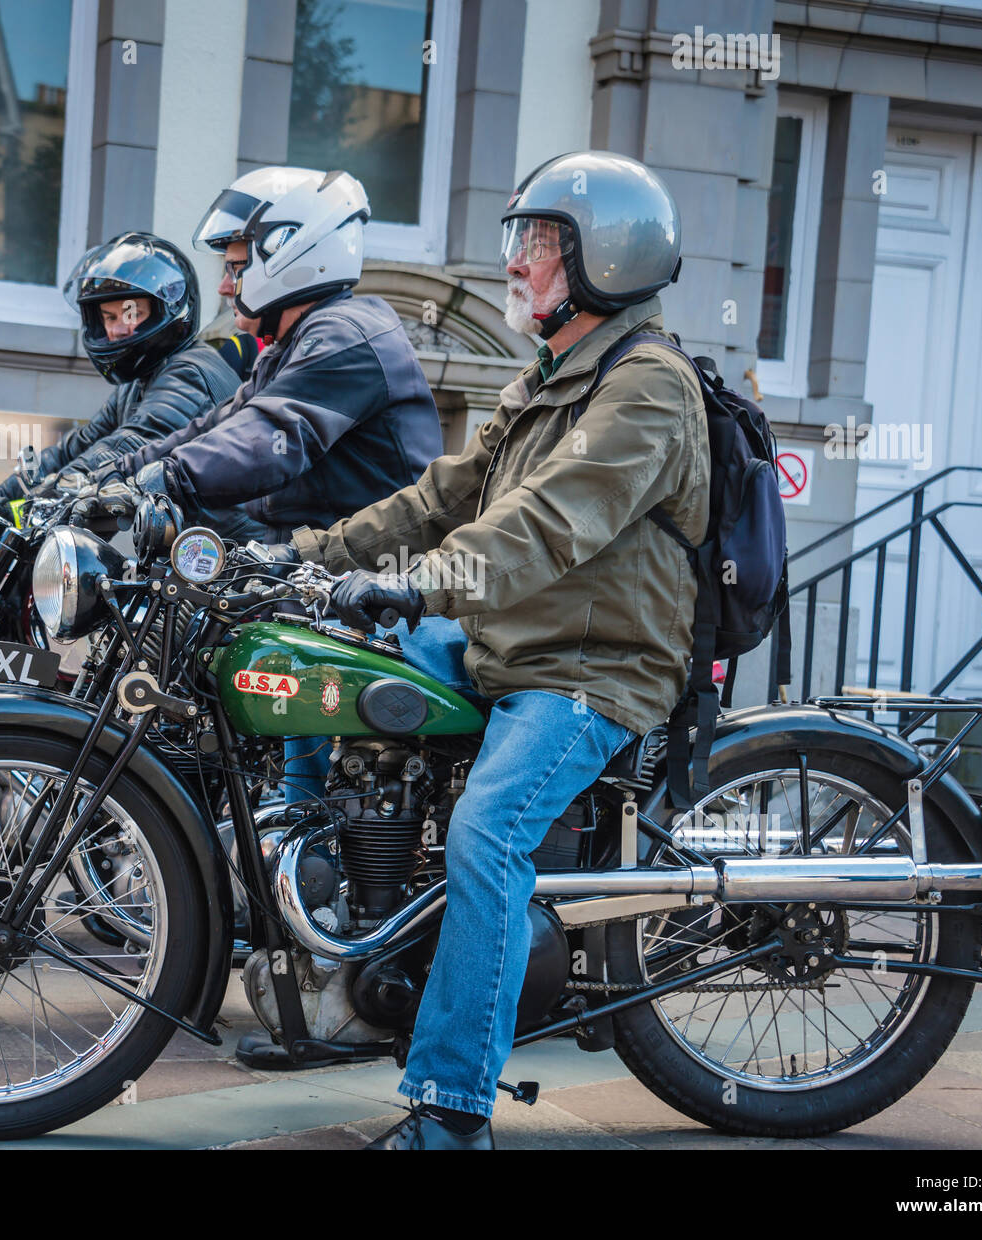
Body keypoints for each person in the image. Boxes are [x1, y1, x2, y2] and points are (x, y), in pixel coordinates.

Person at [280, 151, 710, 1149]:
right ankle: (324, 893)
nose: (515, 262)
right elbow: (436, 498)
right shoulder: (547, 378)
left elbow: (549, 524)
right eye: (516, 239)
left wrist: (417, 582)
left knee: (489, 832)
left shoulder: (646, 387)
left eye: (539, 241)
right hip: (502, 647)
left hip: (591, 670)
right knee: (312, 672)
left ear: (603, 256)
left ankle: (449, 1108)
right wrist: (299, 559)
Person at [78, 167, 443, 545]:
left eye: (235, 269)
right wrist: (117, 472)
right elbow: (218, 424)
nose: (223, 287)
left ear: (291, 253)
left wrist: (165, 478)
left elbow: (268, 437)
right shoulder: (288, 347)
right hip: (311, 560)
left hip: (369, 574)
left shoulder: (347, 336)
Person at [0, 232, 240, 520]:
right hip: (191, 553)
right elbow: (78, 446)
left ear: (166, 310)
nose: (117, 330)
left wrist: (62, 485)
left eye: (131, 313)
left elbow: (133, 443)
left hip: (233, 555)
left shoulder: (190, 372)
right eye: (109, 317)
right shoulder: (141, 381)